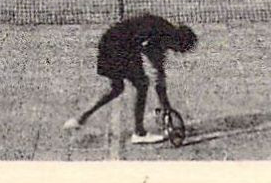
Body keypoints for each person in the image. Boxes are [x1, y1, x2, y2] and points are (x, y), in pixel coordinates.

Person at [63, 14, 198, 144]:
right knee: (142, 85)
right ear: (179, 41)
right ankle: (139, 133)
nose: (177, 52)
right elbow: (157, 72)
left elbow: (157, 69)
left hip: (108, 42)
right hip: (119, 47)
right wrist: (165, 105)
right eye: (180, 49)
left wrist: (164, 101)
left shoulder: (163, 28)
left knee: (115, 88)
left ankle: (79, 119)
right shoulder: (161, 36)